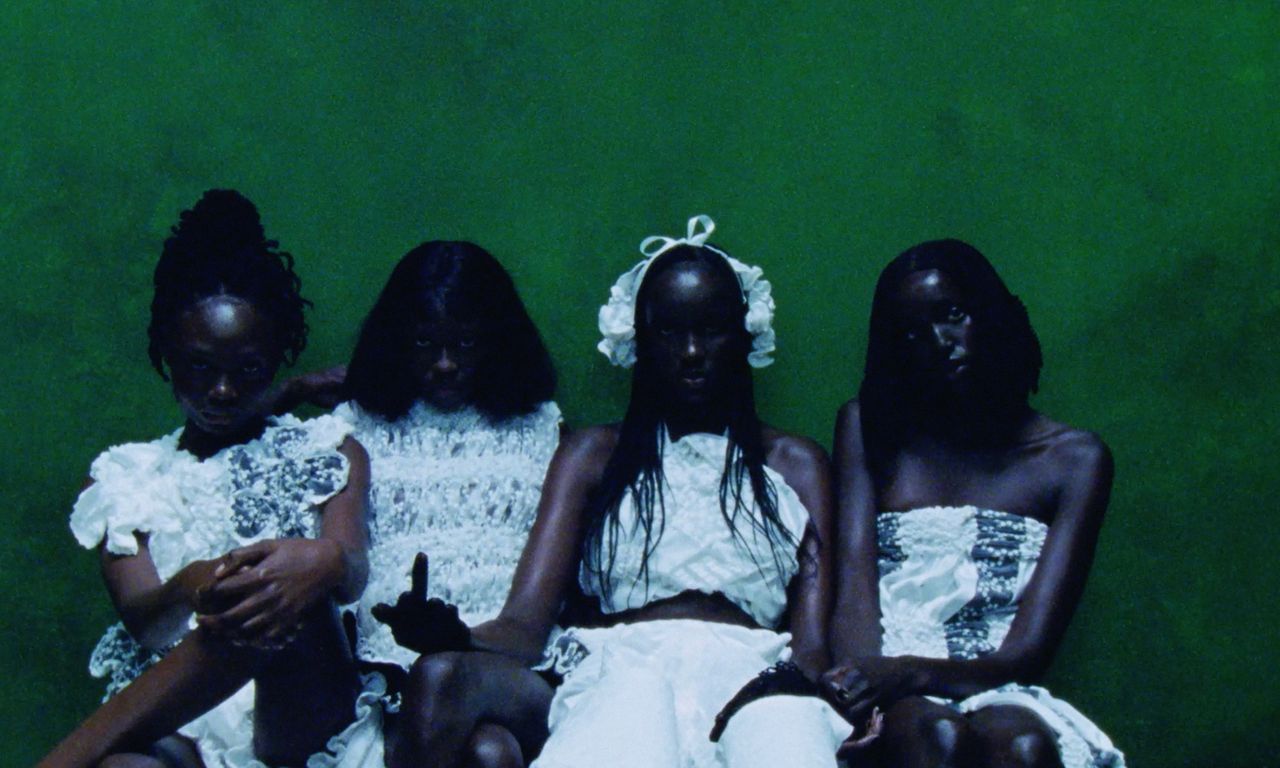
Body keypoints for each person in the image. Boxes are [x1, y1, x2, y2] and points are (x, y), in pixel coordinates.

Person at [426, 215, 848, 767]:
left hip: (756, 675)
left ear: (745, 334)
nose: (692, 352)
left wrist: (785, 688)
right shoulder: (593, 455)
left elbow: (813, 643)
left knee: (785, 739)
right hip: (620, 668)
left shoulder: (794, 462)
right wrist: (450, 634)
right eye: (669, 332)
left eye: (713, 328)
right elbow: (526, 624)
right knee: (630, 720)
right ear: (638, 340)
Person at [38, 190, 376, 768]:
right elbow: (145, 623)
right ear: (166, 354)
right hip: (178, 721)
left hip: (299, 714)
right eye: (200, 367)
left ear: (276, 360)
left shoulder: (326, 448)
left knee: (274, 597)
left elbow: (352, 572)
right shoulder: (128, 477)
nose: (222, 392)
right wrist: (196, 583)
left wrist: (322, 561)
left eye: (247, 371)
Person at [824, 239, 1125, 768]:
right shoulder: (870, 429)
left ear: (992, 314)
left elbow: (1028, 652)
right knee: (939, 738)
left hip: (997, 680)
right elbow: (853, 588)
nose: (939, 343)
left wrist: (914, 673)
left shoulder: (1075, 459)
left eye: (953, 315)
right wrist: (866, 679)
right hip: (887, 681)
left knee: (1024, 750)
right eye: (912, 334)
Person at [327, 240, 563, 768]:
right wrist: (289, 389)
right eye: (423, 343)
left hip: (518, 673)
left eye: (467, 344)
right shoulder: (354, 430)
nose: (445, 363)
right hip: (386, 676)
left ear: (498, 342)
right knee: (490, 755)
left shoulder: (543, 432)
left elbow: (534, 624)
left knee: (441, 672)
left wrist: (457, 639)